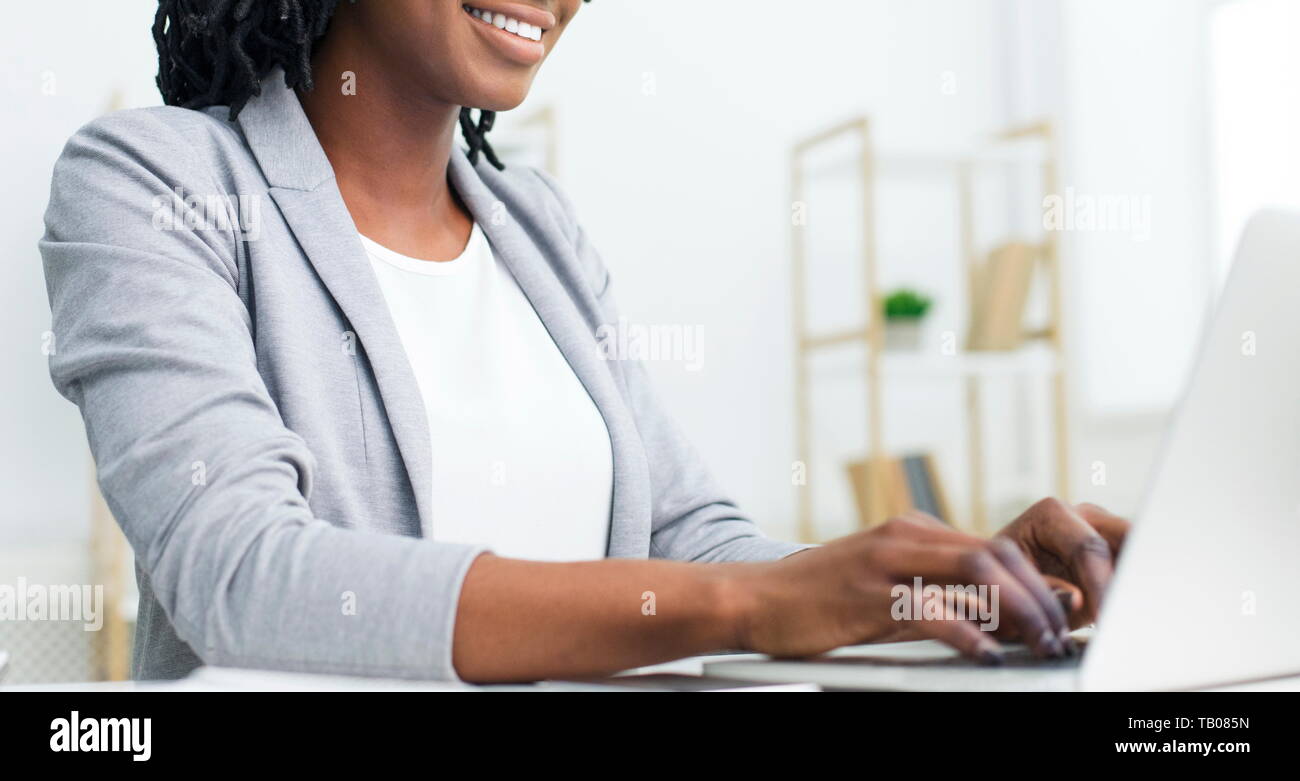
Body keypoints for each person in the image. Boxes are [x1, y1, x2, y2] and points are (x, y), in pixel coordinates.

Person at [40, 0, 1128, 682]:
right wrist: (750, 607)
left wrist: (949, 585)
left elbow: (693, 539)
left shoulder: (538, 232)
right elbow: (238, 576)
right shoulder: (153, 183)